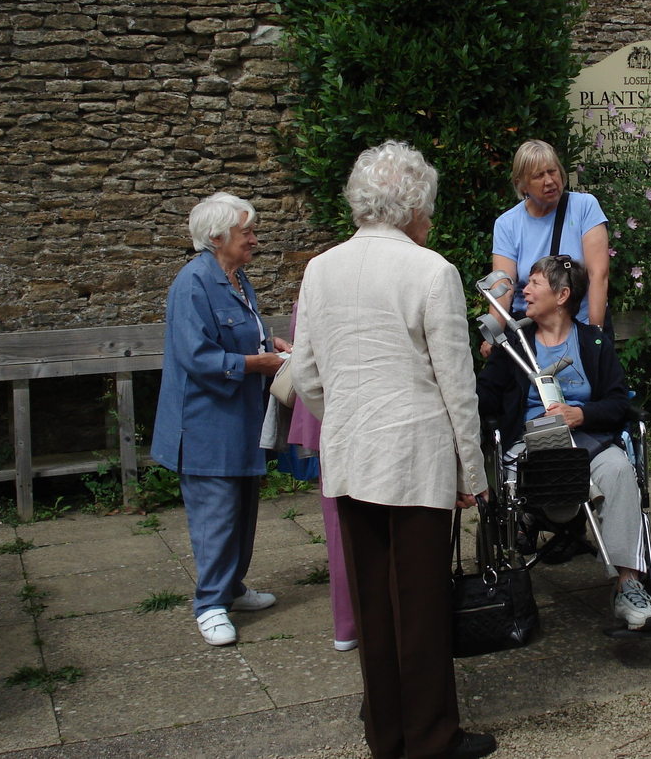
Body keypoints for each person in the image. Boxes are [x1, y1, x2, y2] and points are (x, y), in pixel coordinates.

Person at [291, 141, 496, 759]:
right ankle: (432, 738)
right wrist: (472, 472)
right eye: (427, 206)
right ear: (411, 207)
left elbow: (306, 375)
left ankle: (387, 736)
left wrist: (345, 419)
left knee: (374, 607)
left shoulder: (320, 269)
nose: (430, 218)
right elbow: (457, 385)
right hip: (416, 457)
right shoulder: (431, 271)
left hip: (351, 456)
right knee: (422, 606)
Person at [476, 255, 651, 631]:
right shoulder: (514, 344)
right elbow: (483, 399)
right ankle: (551, 511)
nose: (525, 289)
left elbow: (618, 402)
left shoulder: (593, 342)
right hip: (531, 445)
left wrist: (581, 414)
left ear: (562, 295)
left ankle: (628, 586)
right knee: (558, 469)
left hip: (587, 440)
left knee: (619, 469)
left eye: (535, 283)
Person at [151, 192, 289, 647]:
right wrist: (257, 364)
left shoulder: (236, 277)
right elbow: (197, 357)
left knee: (243, 510)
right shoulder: (193, 283)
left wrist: (271, 344)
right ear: (216, 237)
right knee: (216, 516)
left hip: (241, 420)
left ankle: (231, 588)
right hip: (206, 424)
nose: (254, 239)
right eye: (246, 231)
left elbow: (241, 331)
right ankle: (209, 604)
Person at [282, 306, 357, 653]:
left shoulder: (316, 280)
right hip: (354, 405)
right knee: (345, 519)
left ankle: (350, 623)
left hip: (331, 404)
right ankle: (353, 622)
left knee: (341, 521)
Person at [489, 139, 610, 333]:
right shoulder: (507, 224)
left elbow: (598, 275)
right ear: (522, 185)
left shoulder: (585, 207)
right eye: (538, 175)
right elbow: (503, 288)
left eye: (552, 171)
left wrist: (595, 334)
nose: (549, 181)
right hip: (531, 330)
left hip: (581, 324)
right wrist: (493, 335)